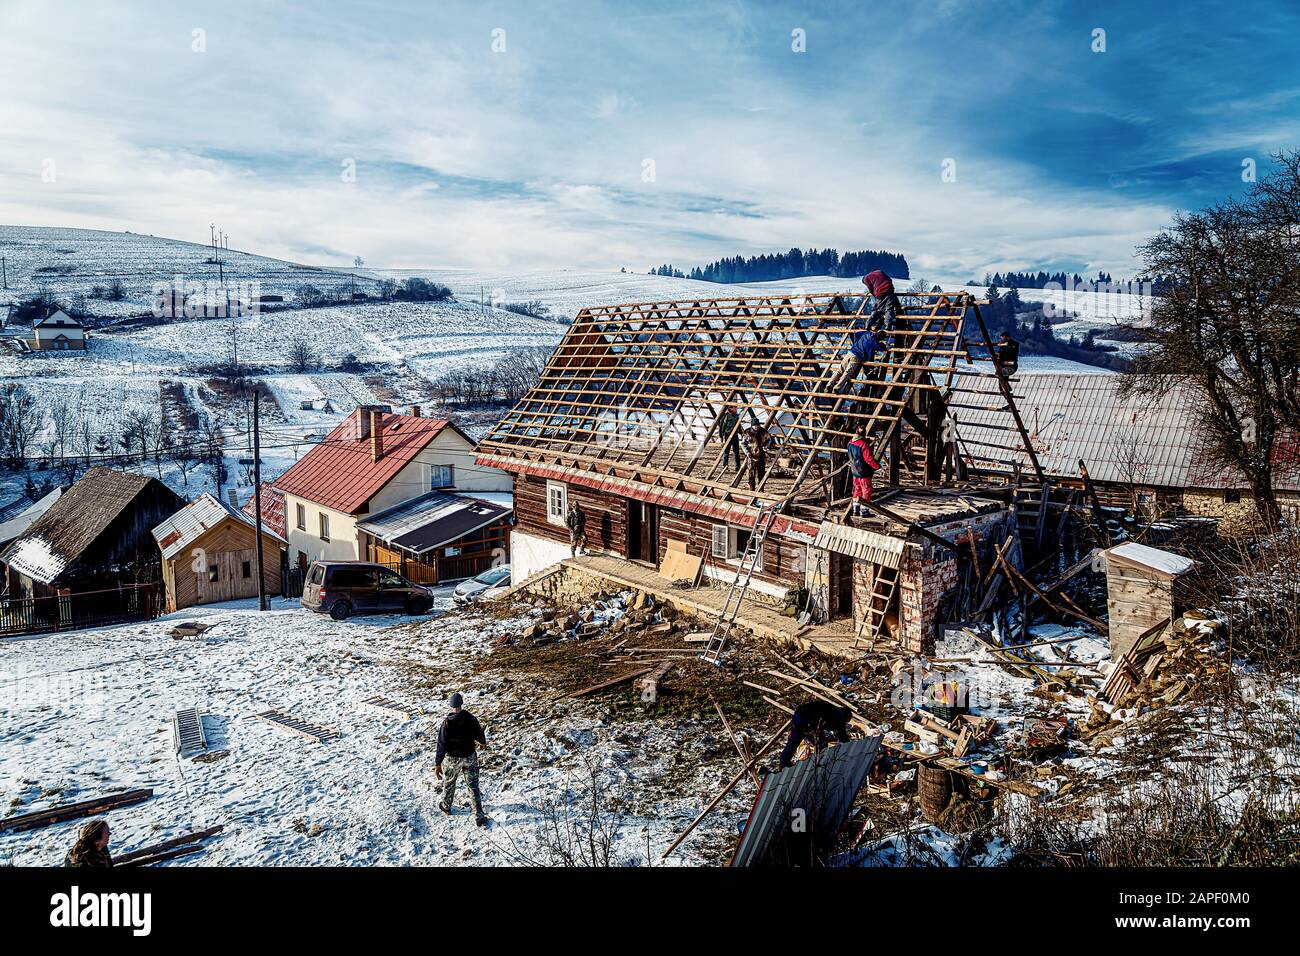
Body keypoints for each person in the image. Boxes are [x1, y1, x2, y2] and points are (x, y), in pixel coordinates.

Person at [436, 692, 489, 826]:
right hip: (470, 756)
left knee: (449, 783)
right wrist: (482, 742)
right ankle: (479, 815)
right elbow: (479, 733)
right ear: (461, 703)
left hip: (453, 759)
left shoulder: (447, 722)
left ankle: (446, 806)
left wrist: (438, 763)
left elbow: (441, 743)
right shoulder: (470, 718)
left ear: (450, 705)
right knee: (473, 786)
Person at [778, 701, 853, 769]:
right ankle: (820, 763)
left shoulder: (833, 708)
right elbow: (841, 735)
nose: (845, 723)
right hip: (808, 720)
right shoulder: (839, 716)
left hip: (798, 714)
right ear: (846, 716)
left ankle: (784, 763)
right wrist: (849, 746)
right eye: (846, 721)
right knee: (821, 743)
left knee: (794, 740)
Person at [846, 424, 881, 518]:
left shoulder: (850, 443)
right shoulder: (863, 444)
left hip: (855, 471)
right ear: (864, 434)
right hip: (864, 472)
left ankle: (855, 510)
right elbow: (868, 459)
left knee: (857, 490)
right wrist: (878, 467)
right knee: (866, 490)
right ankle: (864, 511)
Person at [717, 405, 741, 472]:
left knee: (736, 452)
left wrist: (741, 432)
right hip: (728, 436)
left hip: (735, 436)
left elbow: (738, 426)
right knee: (726, 452)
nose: (736, 409)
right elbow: (722, 427)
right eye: (735, 408)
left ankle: (738, 467)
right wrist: (721, 437)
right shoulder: (726, 416)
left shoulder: (737, 416)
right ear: (731, 408)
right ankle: (725, 466)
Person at [746, 424, 768, 491]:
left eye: (757, 425)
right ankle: (752, 488)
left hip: (761, 454)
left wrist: (766, 446)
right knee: (751, 473)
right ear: (752, 425)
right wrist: (747, 452)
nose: (756, 427)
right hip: (751, 455)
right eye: (754, 425)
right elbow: (743, 443)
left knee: (761, 472)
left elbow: (769, 440)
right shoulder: (748, 432)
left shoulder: (763, 431)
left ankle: (761, 489)